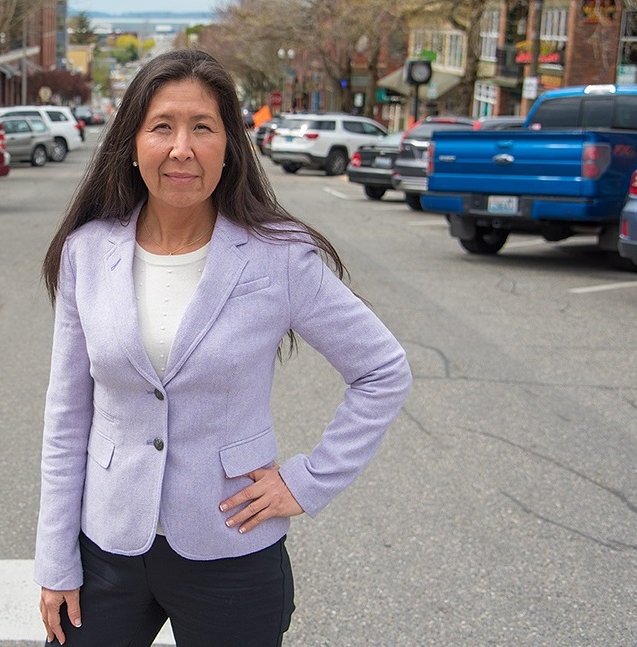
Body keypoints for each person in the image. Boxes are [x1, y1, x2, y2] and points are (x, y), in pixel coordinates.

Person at [35, 49, 412, 646]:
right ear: (132, 143)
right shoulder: (88, 251)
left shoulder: (279, 256)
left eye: (203, 128)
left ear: (230, 144)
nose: (181, 148)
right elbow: (67, 414)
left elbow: (382, 370)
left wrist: (307, 481)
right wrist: (55, 559)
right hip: (107, 544)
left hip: (232, 548)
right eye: (162, 127)